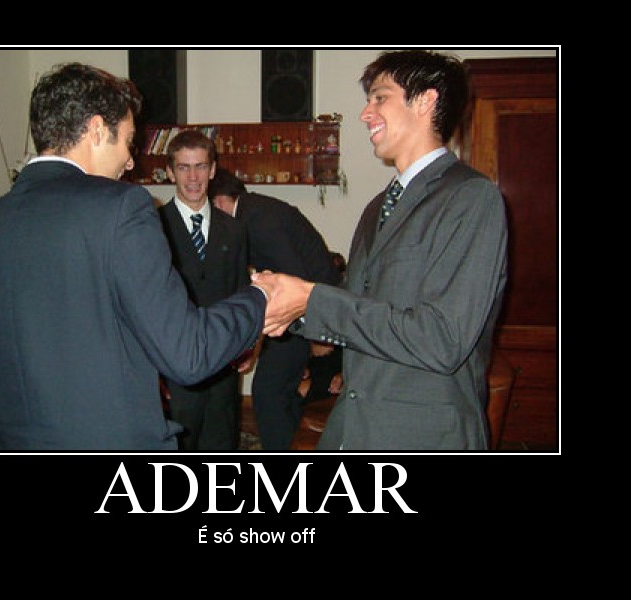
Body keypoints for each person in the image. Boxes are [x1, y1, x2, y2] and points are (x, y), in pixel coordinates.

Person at [0, 63, 271, 451]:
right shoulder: (122, 208)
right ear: (96, 130)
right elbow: (187, 353)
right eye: (127, 142)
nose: (131, 161)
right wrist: (262, 297)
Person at [255, 49, 508, 451]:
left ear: (425, 101)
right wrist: (287, 309)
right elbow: (363, 306)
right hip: (354, 426)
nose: (365, 113)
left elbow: (442, 340)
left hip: (423, 435)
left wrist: (310, 299)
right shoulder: (379, 207)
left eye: (380, 97)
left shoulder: (471, 198)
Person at [208, 169, 341, 450]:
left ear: (218, 201)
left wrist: (318, 336)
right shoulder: (256, 211)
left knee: (268, 393)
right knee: (280, 394)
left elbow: (293, 279)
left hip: (308, 315)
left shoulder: (256, 219)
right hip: (307, 314)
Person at [157, 129, 251, 450]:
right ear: (170, 172)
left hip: (223, 364)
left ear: (212, 170)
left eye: (200, 166)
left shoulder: (234, 230)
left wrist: (248, 343)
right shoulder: (152, 228)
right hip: (174, 367)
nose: (193, 177)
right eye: (184, 167)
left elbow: (240, 292)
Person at [300, 252, 346, 405]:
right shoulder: (304, 304)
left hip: (335, 370)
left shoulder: (348, 309)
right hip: (308, 367)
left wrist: (344, 374)